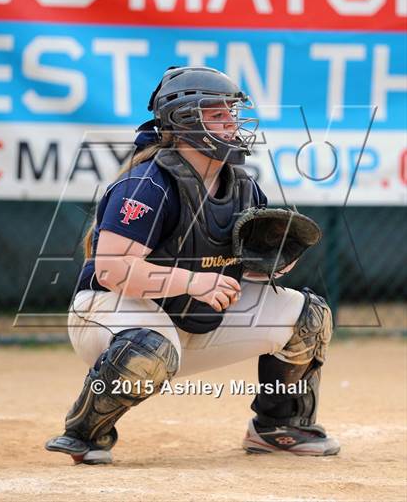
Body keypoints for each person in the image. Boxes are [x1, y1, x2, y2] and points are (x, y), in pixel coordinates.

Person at [45, 66, 340, 465]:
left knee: (309, 316)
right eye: (217, 114)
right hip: (109, 315)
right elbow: (111, 271)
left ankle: (279, 427)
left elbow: (231, 265)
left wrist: (261, 267)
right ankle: (86, 431)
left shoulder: (242, 186)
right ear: (184, 121)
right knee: (148, 349)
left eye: (231, 112)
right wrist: (192, 281)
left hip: (190, 320)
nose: (232, 122)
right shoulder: (148, 184)